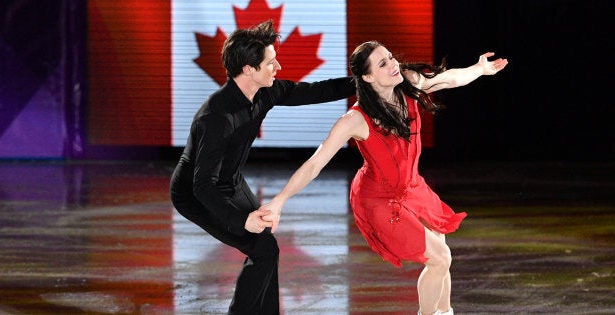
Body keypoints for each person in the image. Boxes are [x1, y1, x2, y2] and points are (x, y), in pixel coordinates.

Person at [259, 41, 508, 315]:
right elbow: (315, 163)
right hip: (378, 200)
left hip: (412, 186)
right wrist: (279, 201)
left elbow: (448, 79)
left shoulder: (408, 83)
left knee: (440, 250)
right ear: (367, 77)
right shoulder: (354, 120)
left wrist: (479, 69)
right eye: (383, 64)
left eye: (390, 58)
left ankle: (445, 311)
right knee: (440, 258)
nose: (393, 65)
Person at [169, 20, 355, 315]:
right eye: (270, 62)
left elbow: (313, 91)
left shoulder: (264, 92)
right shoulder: (216, 116)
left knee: (265, 246)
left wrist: (364, 81)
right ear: (248, 70)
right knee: (263, 248)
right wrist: (240, 220)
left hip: (230, 181)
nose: (278, 67)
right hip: (195, 193)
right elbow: (202, 185)